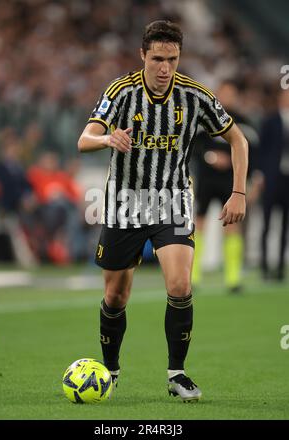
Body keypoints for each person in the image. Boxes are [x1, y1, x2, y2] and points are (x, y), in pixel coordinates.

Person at [78, 20, 248, 402]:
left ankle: (177, 374)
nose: (164, 68)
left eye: (172, 59)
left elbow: (237, 139)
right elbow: (84, 139)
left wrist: (239, 191)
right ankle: (111, 371)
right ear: (143, 56)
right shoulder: (120, 92)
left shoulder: (196, 96)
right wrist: (107, 137)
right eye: (157, 58)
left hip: (172, 202)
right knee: (116, 297)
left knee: (180, 285)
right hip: (124, 205)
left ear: (179, 58)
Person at [192, 79, 257, 292]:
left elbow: (252, 153)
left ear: (236, 96)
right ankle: (193, 277)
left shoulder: (244, 123)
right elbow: (194, 147)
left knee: (232, 227)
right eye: (224, 92)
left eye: (231, 93)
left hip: (230, 181)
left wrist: (250, 180)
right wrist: (211, 157)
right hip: (206, 180)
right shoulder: (205, 118)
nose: (227, 97)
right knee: (199, 224)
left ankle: (233, 279)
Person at [259, 88, 289, 281]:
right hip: (272, 179)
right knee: (267, 224)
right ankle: (264, 265)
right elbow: (262, 150)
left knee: (285, 225)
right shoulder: (270, 121)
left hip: (288, 181)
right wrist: (261, 175)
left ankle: (279, 267)